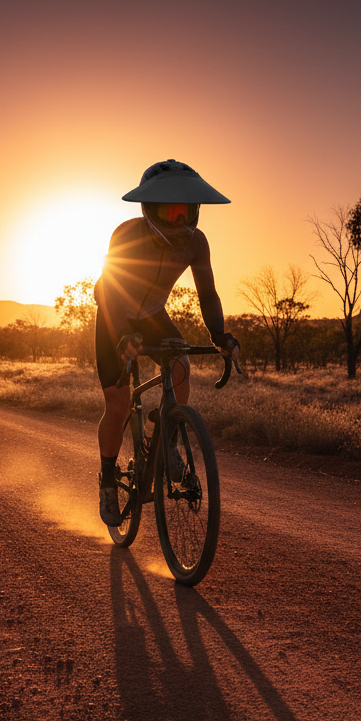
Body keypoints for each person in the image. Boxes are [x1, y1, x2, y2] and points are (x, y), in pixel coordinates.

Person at [94, 159, 239, 526]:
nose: (178, 220)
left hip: (152, 313)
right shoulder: (127, 234)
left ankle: (168, 433)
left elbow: (208, 294)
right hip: (116, 312)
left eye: (186, 211)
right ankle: (108, 481)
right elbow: (109, 287)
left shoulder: (197, 242)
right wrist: (123, 336)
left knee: (181, 364)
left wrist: (220, 336)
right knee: (119, 402)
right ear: (149, 210)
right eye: (169, 211)